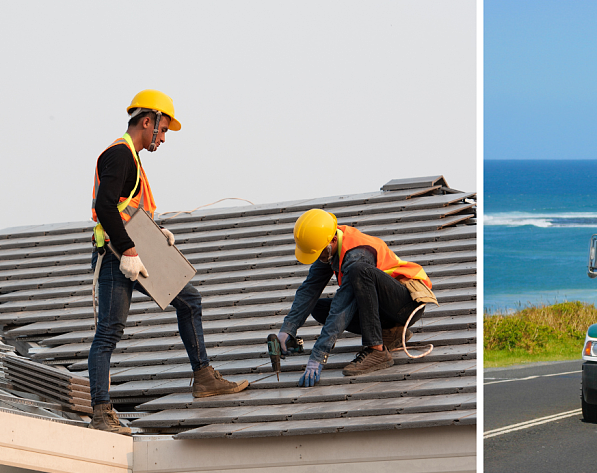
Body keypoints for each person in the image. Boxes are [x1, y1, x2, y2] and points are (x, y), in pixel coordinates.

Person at [88, 90, 248, 435]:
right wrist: (130, 250)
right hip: (118, 257)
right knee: (108, 334)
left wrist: (155, 233)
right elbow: (104, 207)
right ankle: (101, 412)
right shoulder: (120, 155)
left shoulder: (130, 158)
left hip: (133, 251)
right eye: (162, 130)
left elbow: (124, 209)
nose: (163, 138)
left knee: (189, 299)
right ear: (148, 121)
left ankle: (204, 377)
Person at [275, 209, 438, 386]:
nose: (320, 258)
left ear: (333, 240)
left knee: (358, 272)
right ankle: (391, 333)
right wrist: (288, 328)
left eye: (321, 253)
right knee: (319, 308)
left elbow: (342, 307)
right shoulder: (329, 246)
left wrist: (319, 355)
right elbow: (309, 290)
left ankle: (377, 350)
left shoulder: (358, 253)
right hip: (387, 308)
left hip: (407, 304)